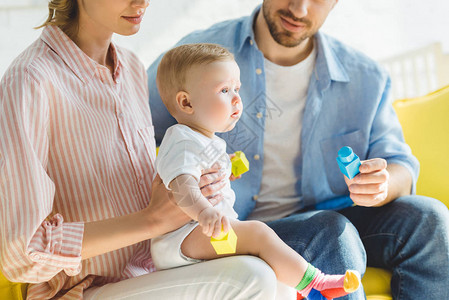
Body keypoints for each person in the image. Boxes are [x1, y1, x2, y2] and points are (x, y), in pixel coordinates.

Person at [147, 1, 449, 299]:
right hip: (243, 229)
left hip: (338, 216)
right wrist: (181, 181)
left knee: (429, 218)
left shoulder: (365, 78)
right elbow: (135, 133)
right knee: (331, 231)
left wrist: (382, 184)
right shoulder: (197, 57)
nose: (300, 9)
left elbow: (401, 165)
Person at [0, 1, 278, 299]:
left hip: (154, 272)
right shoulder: (30, 80)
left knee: (276, 267)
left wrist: (197, 182)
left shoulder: (131, 67)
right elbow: (22, 252)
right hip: (81, 291)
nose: (142, 2)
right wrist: (152, 220)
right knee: (253, 277)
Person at [151, 43, 361, 300]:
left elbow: (198, 174)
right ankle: (315, 284)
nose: (237, 99)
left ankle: (294, 288)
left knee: (264, 262)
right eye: (224, 90)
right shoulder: (182, 139)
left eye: (237, 89)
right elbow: (181, 186)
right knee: (258, 234)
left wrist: (224, 171)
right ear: (186, 102)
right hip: (181, 239)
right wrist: (204, 212)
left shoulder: (204, 140)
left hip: (202, 233)